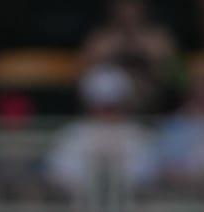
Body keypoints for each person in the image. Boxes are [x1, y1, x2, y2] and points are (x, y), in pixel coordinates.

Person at [46, 63, 158, 200]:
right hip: (77, 207)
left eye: (112, 107)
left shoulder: (138, 134)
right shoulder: (73, 134)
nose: (106, 114)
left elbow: (147, 174)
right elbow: (59, 174)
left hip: (132, 207)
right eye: (102, 107)